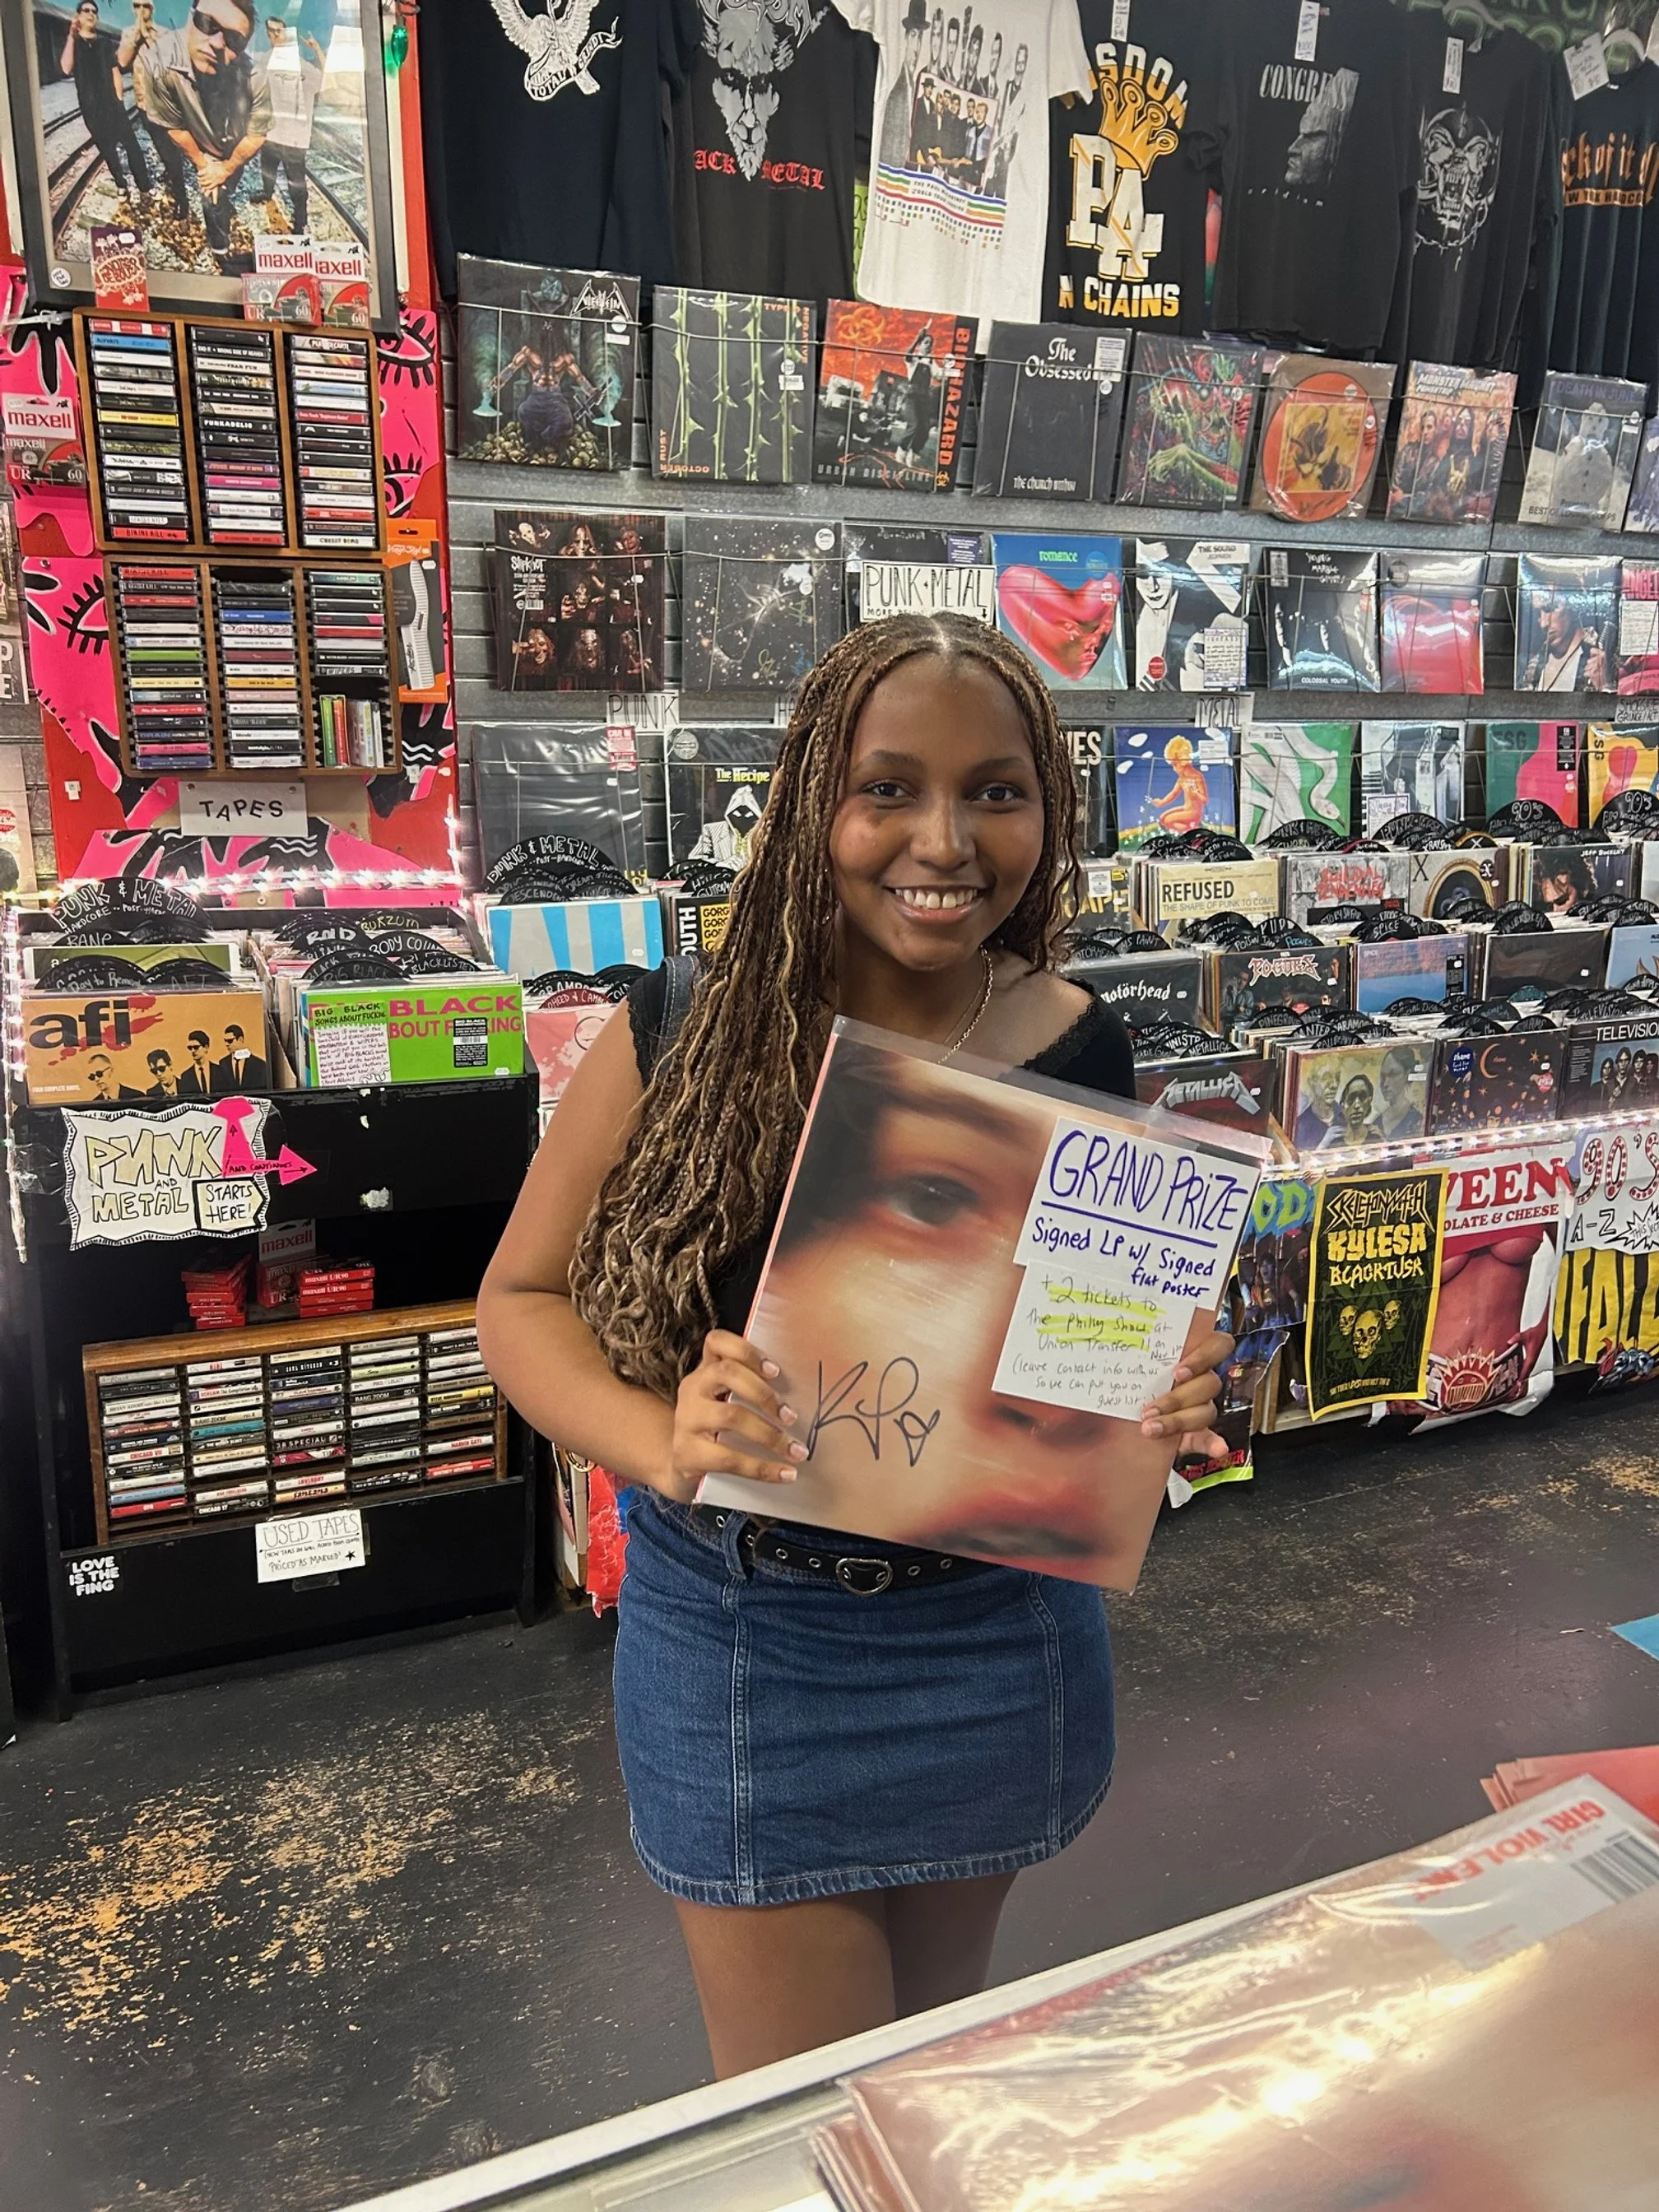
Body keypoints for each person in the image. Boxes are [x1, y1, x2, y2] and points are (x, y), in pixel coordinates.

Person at [477, 615, 1233, 2080]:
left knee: (932, 2077)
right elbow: (521, 1301)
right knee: (803, 2111)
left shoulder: (1081, 1043)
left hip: (995, 1631)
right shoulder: (689, 1026)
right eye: (888, 786)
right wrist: (660, 1439)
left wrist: (1162, 1382)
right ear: (814, 794)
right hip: (752, 1634)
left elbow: (1069, 1352)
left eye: (996, 790)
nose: (942, 838)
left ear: (1049, 808)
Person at [134, 0, 270, 272]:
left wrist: (226, 168)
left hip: (233, 145)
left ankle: (222, 214)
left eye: (233, 39)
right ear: (191, 18)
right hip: (200, 139)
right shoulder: (159, 62)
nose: (218, 43)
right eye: (208, 25)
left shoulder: (255, 77)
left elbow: (257, 134)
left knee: (224, 188)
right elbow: (174, 126)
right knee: (212, 196)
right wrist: (204, 165)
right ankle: (220, 248)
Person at [60, 0, 151, 205]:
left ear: (97, 17)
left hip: (112, 104)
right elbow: (66, 68)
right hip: (91, 108)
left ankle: (144, 186)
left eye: (94, 11)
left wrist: (118, 99)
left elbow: (114, 70)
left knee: (132, 146)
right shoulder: (74, 43)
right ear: (79, 16)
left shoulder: (104, 43)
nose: (91, 13)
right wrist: (71, 36)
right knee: (108, 150)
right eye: (86, 10)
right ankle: (121, 184)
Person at [253, 15, 325, 234]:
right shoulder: (264, 60)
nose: (276, 35)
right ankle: (266, 194)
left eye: (280, 31)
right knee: (267, 169)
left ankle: (300, 222)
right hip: (271, 132)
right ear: (268, 35)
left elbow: (325, 81)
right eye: (271, 31)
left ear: (287, 34)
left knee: (297, 184)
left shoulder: (301, 65)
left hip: (295, 138)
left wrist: (317, 50)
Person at [211, 1021, 269, 1091]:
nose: (227, 1044)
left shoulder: (259, 1065)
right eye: (225, 1041)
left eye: (230, 1041)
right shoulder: (223, 1063)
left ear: (240, 1039)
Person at [178, 1029, 213, 1097]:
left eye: (196, 1047)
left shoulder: (220, 1071)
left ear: (206, 1047)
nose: (193, 1051)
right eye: (190, 1048)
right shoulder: (186, 1076)